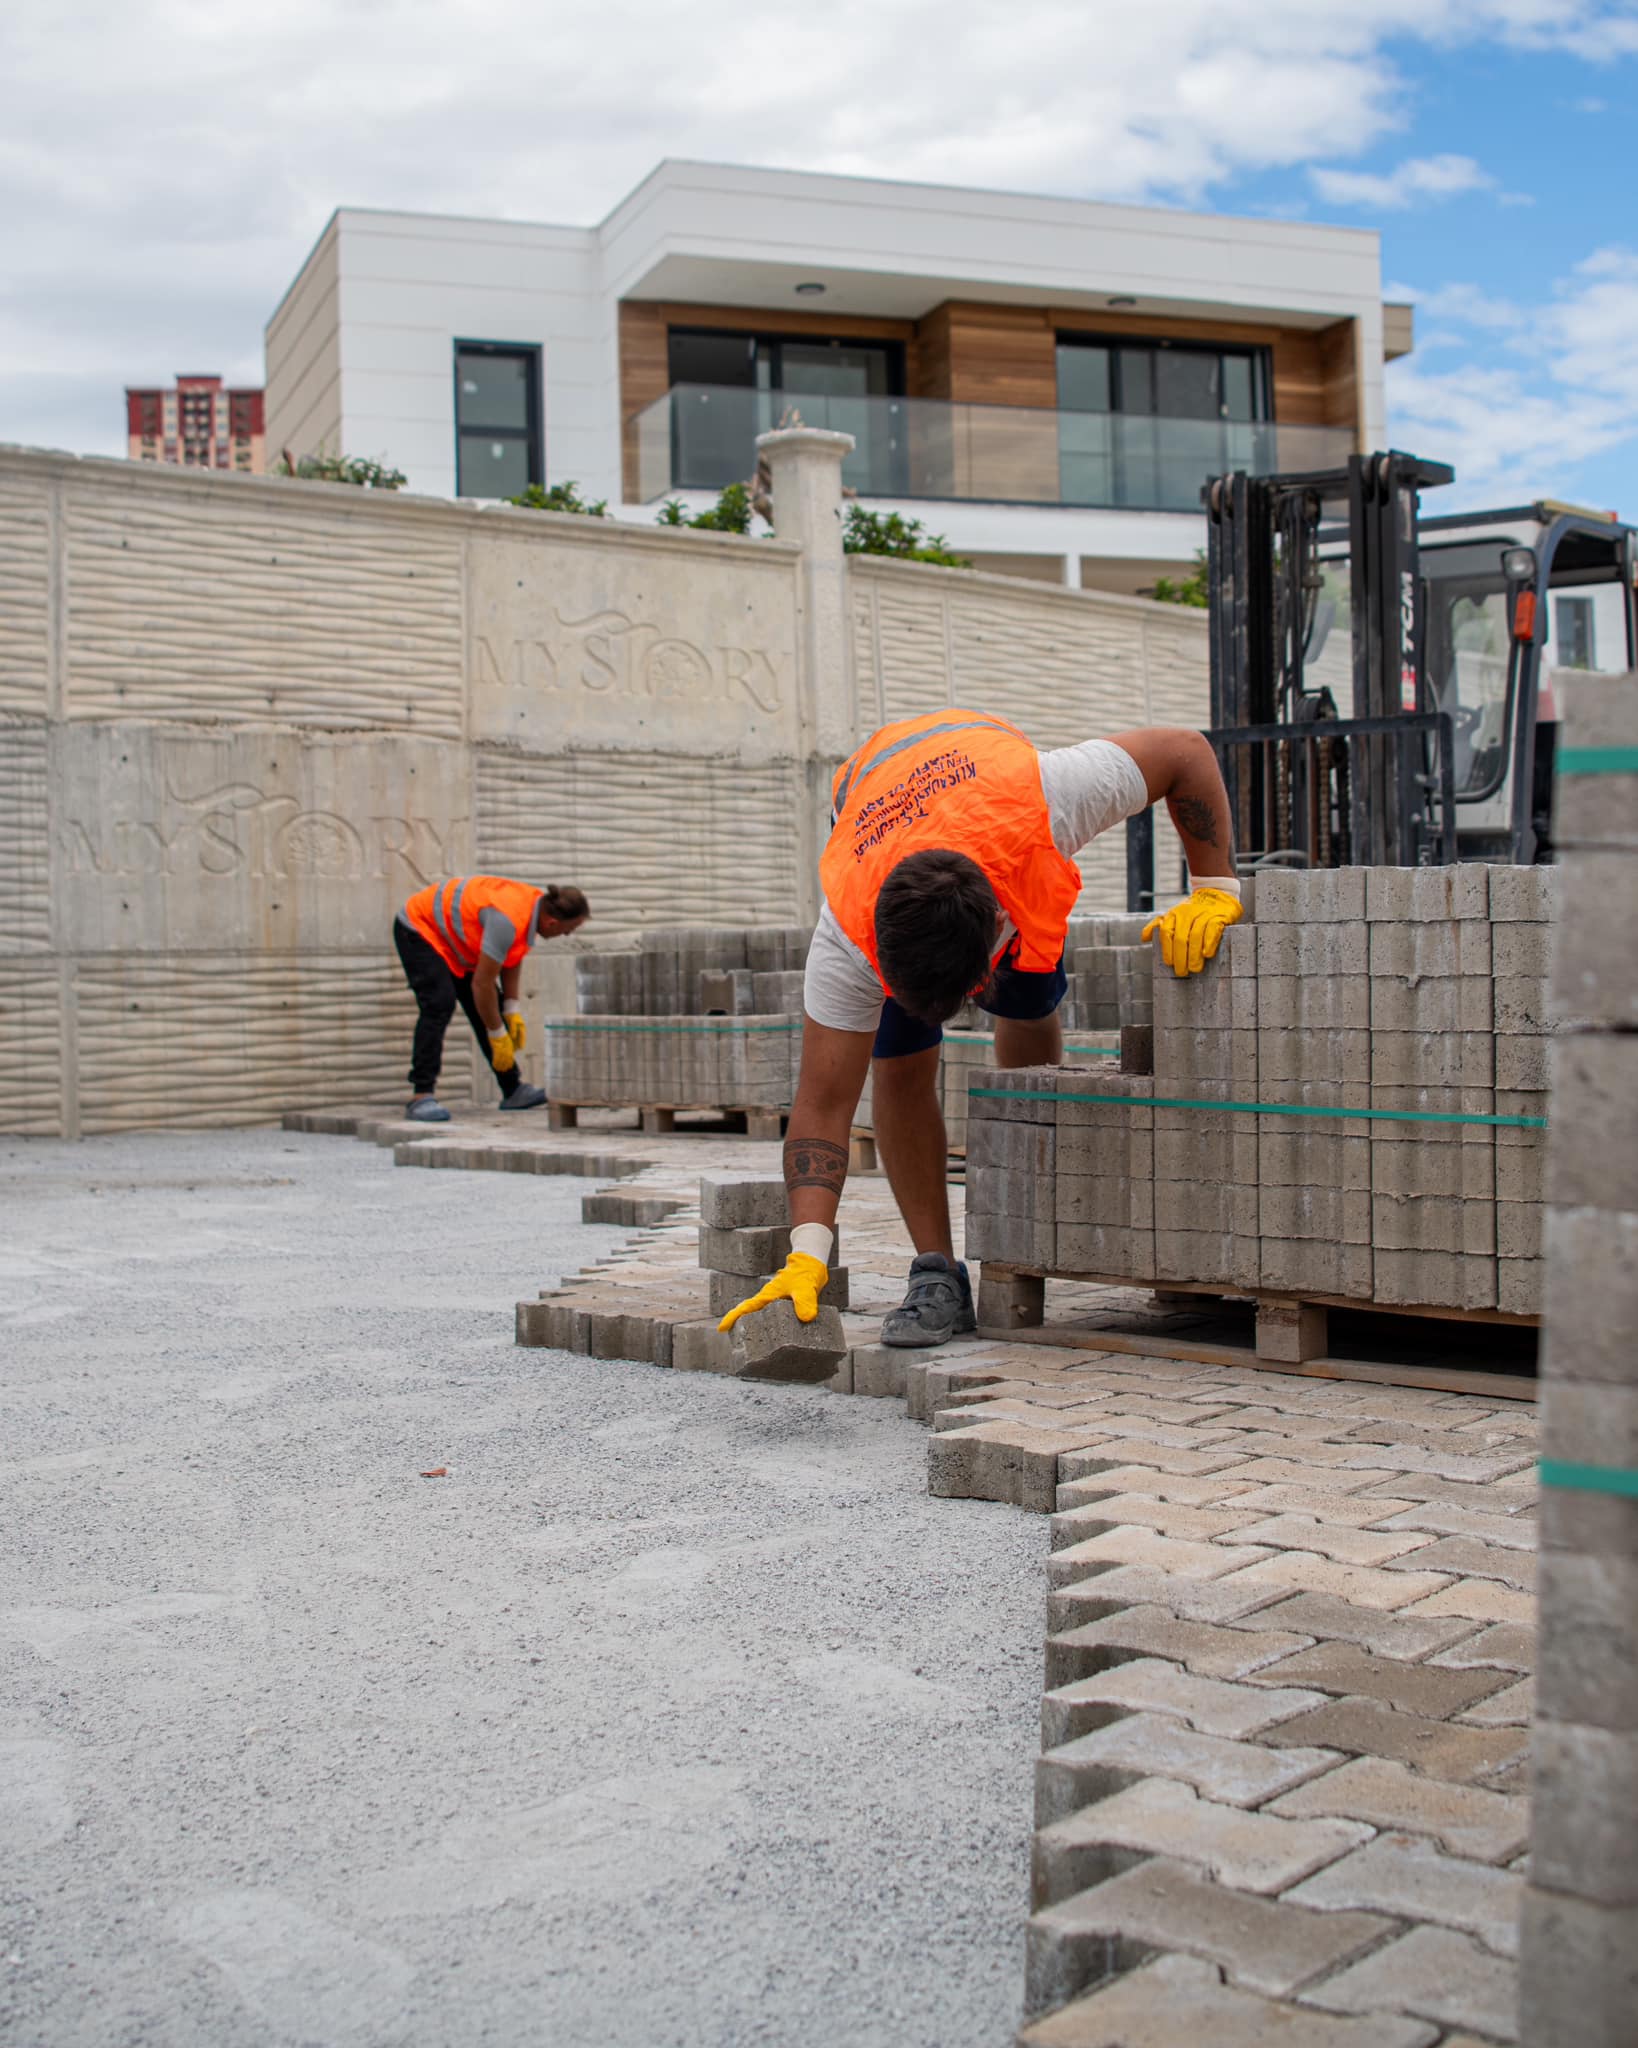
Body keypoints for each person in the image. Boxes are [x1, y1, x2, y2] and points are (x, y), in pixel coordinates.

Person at [719, 711, 1240, 1348]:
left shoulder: (1051, 797)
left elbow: (1184, 750)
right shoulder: (848, 939)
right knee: (900, 1060)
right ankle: (937, 1273)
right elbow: (823, 1104)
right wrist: (807, 1253)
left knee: (1027, 1001)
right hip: (877, 809)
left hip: (987, 789)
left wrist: (1215, 888)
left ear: (998, 923)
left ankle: (1029, 1218)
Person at [393, 877, 589, 1123]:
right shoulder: (507, 920)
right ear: (552, 922)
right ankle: (421, 1095)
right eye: (569, 929)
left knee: (489, 1007)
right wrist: (497, 1034)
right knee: (439, 1004)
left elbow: (511, 957)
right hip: (419, 928)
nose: (567, 935)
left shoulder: (532, 907)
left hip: (454, 942)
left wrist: (510, 1008)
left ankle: (512, 1090)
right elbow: (482, 985)